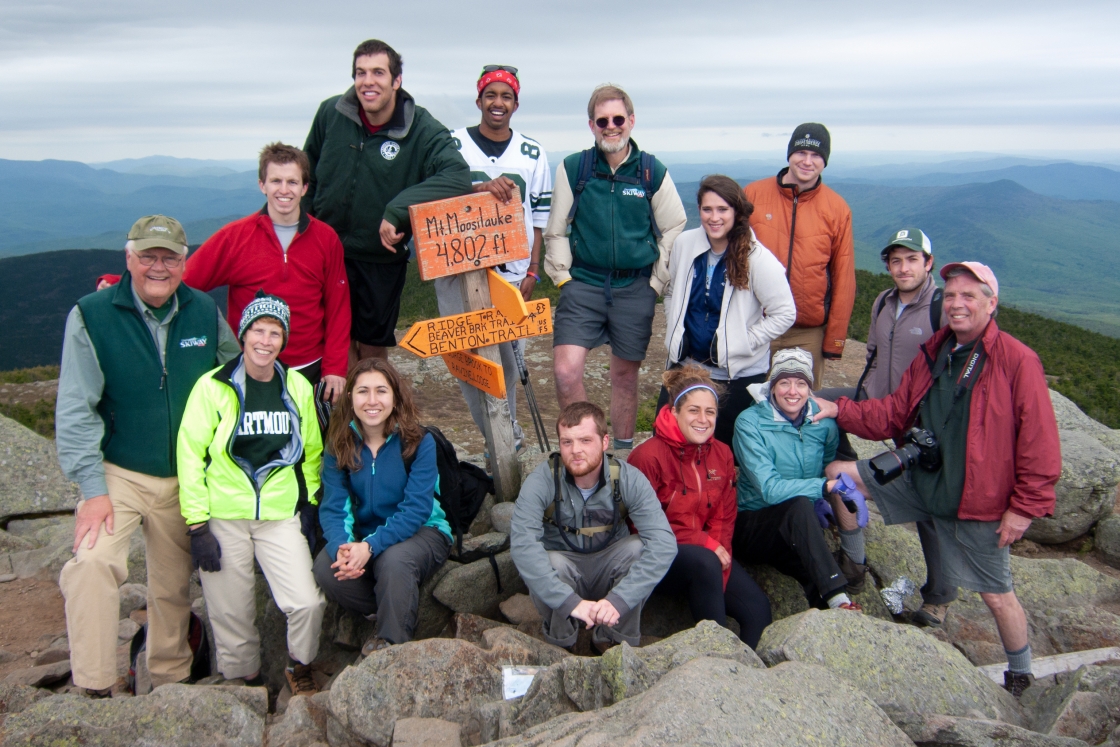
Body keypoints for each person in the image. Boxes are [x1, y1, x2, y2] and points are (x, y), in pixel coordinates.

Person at [816, 262, 1062, 697]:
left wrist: (1024, 508)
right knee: (840, 476)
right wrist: (841, 410)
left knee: (997, 595)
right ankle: (853, 564)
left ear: (992, 303)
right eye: (950, 296)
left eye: (970, 295)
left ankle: (1021, 674)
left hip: (976, 498)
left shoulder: (1017, 360)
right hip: (921, 477)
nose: (957, 303)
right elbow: (894, 412)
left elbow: (1040, 442)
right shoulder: (936, 351)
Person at [55, 215, 241, 697]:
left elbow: (235, 380)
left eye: (170, 257)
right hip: (117, 473)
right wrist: (92, 491)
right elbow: (76, 409)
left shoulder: (202, 310)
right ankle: (94, 685)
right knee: (91, 564)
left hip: (185, 474)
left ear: (184, 262)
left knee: (172, 584)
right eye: (148, 256)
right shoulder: (91, 315)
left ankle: (168, 679)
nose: (159, 267)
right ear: (128, 258)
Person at [176, 293, 325, 696]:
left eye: (275, 332)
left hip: (279, 516)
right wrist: (197, 525)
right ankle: (247, 682)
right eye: (258, 330)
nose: (266, 340)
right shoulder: (213, 387)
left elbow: (311, 451)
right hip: (224, 516)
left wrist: (309, 502)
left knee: (307, 602)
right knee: (231, 610)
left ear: (284, 339)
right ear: (243, 335)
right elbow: (190, 454)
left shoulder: (295, 385)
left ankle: (299, 665)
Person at [817, 227, 955, 628]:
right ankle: (843, 481)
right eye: (896, 260)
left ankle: (940, 596)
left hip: (920, 418)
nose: (903, 267)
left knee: (928, 506)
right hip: (880, 402)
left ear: (928, 263)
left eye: (912, 259)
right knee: (819, 401)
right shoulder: (883, 301)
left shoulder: (941, 306)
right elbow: (876, 355)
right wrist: (859, 396)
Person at [303, 39, 471, 363]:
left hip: (379, 260)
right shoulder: (330, 113)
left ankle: (373, 411)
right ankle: (338, 413)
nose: (368, 82)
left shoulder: (420, 128)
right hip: (324, 251)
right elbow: (306, 172)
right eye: (360, 73)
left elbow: (457, 176)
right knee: (330, 342)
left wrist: (398, 209)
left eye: (378, 73)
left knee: (371, 348)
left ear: (397, 80)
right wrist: (302, 227)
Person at [544, 84, 687, 451]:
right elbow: (556, 229)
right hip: (583, 284)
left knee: (624, 376)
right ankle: (585, 448)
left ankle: (621, 456)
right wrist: (563, 278)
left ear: (631, 121)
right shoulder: (576, 168)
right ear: (591, 124)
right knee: (565, 371)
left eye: (618, 119)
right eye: (602, 120)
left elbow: (674, 225)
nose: (611, 126)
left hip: (634, 286)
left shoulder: (651, 171)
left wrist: (655, 282)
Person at [182, 143, 351, 421]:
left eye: (292, 182)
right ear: (262, 184)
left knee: (312, 447)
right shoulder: (235, 237)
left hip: (310, 368)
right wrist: (128, 282)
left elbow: (338, 306)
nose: (284, 190)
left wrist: (335, 366)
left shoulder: (325, 238)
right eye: (276, 181)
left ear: (305, 187)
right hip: (252, 367)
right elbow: (186, 280)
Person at [441, 65, 553, 454]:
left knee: (508, 365)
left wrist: (534, 270)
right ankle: (499, 442)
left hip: (512, 273)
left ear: (516, 103)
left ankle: (509, 444)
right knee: (467, 362)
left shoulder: (532, 152)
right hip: (459, 269)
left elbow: (538, 220)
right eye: (491, 95)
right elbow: (434, 193)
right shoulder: (452, 144)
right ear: (479, 101)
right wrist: (478, 187)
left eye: (506, 96)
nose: (498, 103)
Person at [510, 401, 677, 651]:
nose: (575, 450)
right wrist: (569, 602)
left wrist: (620, 601)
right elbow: (523, 545)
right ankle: (562, 644)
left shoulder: (628, 479)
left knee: (638, 548)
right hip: (564, 570)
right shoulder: (541, 481)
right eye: (567, 442)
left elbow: (664, 544)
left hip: (610, 566)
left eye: (585, 440)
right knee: (550, 562)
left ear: (605, 441)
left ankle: (613, 640)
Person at [313, 358, 453, 654]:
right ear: (350, 397)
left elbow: (416, 509)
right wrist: (343, 547)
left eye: (381, 391)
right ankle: (394, 600)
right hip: (366, 536)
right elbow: (333, 507)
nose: (372, 401)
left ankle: (391, 645)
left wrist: (371, 547)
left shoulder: (418, 441)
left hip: (424, 531)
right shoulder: (339, 444)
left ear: (395, 396)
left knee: (394, 560)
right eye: (363, 391)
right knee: (327, 568)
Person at [628, 366, 773, 648]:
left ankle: (748, 680)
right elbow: (640, 524)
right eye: (693, 410)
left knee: (757, 610)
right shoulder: (647, 457)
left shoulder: (721, 453)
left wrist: (720, 552)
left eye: (710, 412)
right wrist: (705, 543)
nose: (703, 419)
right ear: (673, 413)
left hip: (708, 557)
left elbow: (725, 513)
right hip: (658, 556)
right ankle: (716, 662)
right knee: (705, 562)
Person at [660, 175, 796, 450]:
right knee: (668, 442)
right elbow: (672, 290)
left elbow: (785, 313)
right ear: (698, 210)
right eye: (707, 209)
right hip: (684, 367)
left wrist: (744, 340)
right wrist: (675, 326)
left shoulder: (756, 257)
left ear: (737, 211)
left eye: (723, 209)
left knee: (724, 454)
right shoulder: (685, 244)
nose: (714, 217)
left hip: (736, 377)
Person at [732, 348, 866, 612]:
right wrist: (822, 488)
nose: (792, 391)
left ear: (810, 388)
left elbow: (826, 465)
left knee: (809, 560)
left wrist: (823, 499)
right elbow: (769, 489)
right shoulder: (749, 423)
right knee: (799, 507)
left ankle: (834, 611)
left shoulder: (823, 423)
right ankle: (839, 597)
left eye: (801, 383)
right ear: (772, 387)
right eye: (784, 382)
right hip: (753, 524)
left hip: (796, 524)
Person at [744, 124, 855, 389]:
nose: (807, 161)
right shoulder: (753, 195)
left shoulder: (837, 208)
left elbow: (844, 276)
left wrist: (834, 341)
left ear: (824, 161)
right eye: (801, 152)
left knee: (802, 406)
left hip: (808, 332)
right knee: (747, 401)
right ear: (789, 154)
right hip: (756, 323)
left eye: (816, 155)